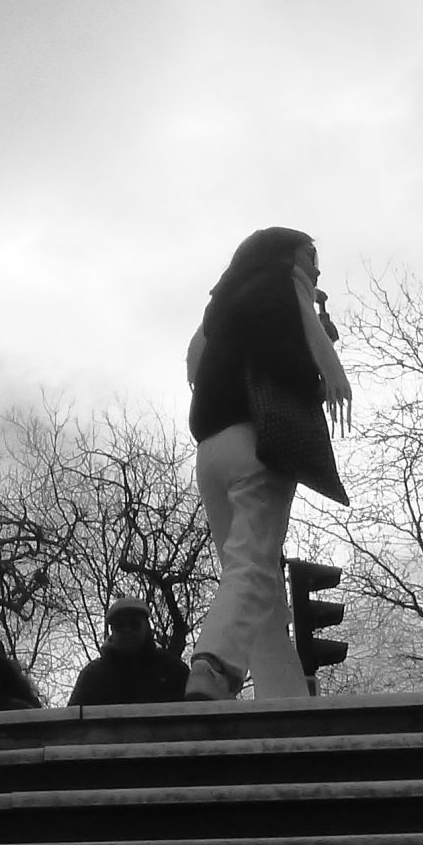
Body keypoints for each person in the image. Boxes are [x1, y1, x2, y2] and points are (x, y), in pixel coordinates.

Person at [181, 228, 352, 701]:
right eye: (310, 254)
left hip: (211, 450)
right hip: (257, 443)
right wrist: (315, 378)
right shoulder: (281, 288)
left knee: (260, 584)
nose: (316, 267)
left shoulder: (219, 312)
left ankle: (283, 695)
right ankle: (214, 665)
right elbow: (280, 361)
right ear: (283, 255)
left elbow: (199, 368)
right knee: (254, 566)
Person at [68, 597, 189, 706]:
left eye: (134, 624)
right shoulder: (93, 676)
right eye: (119, 626)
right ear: (112, 631)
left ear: (147, 627)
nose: (127, 630)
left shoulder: (172, 669)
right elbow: (71, 718)